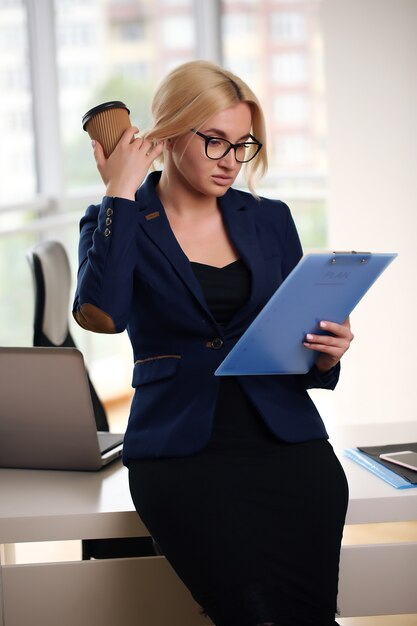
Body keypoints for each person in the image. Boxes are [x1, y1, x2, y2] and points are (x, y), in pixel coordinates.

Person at [73, 60, 354, 626]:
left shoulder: (270, 219)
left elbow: (294, 341)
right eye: (215, 141)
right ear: (170, 133)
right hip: (182, 453)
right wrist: (119, 191)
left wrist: (326, 350)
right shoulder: (117, 219)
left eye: (244, 145)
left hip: (288, 445)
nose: (231, 160)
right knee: (251, 615)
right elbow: (103, 316)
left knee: (312, 616)